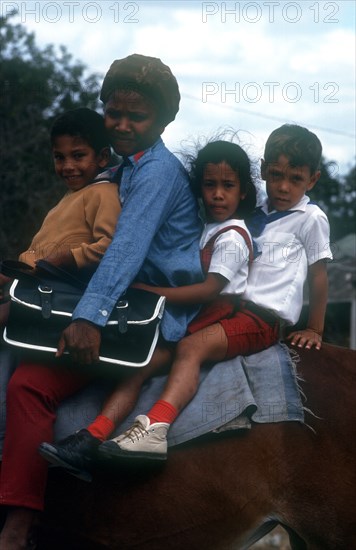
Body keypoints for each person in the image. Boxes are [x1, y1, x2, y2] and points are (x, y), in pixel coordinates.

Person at [0, 53, 203, 550]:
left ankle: (19, 523)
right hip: (121, 295)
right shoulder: (124, 167)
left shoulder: (156, 173)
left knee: (30, 383)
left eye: (137, 117)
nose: (123, 125)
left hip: (141, 311)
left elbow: (126, 250)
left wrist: (88, 318)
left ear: (166, 120)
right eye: (114, 114)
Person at [94, 123, 333, 461]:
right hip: (230, 309)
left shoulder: (311, 218)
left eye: (295, 179)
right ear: (263, 170)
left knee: (192, 347)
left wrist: (314, 328)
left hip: (261, 316)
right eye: (276, 175)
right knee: (154, 352)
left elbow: (318, 276)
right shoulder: (258, 211)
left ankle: (157, 427)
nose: (283, 186)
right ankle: (96, 431)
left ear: (312, 180)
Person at [39, 139, 280, 468]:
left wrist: (150, 293)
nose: (218, 195)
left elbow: (209, 290)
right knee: (137, 369)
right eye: (210, 185)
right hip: (190, 316)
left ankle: (156, 427)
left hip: (209, 315)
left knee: (187, 353)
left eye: (228, 186)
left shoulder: (232, 236)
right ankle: (92, 436)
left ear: (243, 192)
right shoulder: (207, 229)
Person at [0, 106, 123, 549]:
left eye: (79, 156)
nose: (68, 166)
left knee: (27, 388)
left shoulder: (104, 194)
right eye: (60, 157)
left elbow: (112, 248)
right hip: (39, 300)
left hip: (73, 317)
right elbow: (35, 255)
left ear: (103, 157)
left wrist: (63, 261)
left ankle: (19, 519)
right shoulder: (64, 202)